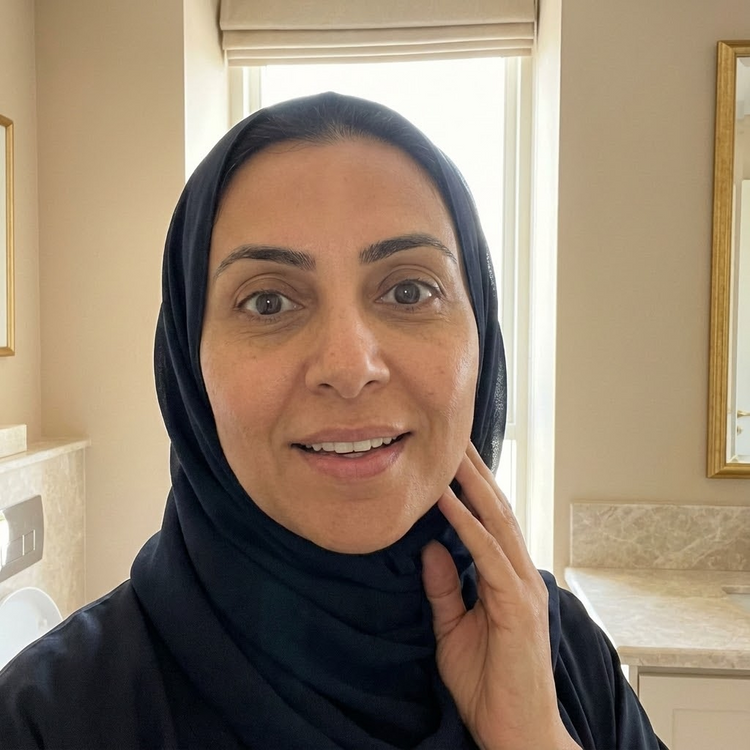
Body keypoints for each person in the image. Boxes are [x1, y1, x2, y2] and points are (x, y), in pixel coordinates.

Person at [0, 92, 667, 750]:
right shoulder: (48, 719)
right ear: (189, 363)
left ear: (481, 335)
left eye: (409, 291)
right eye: (267, 301)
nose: (350, 368)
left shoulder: (558, 653)